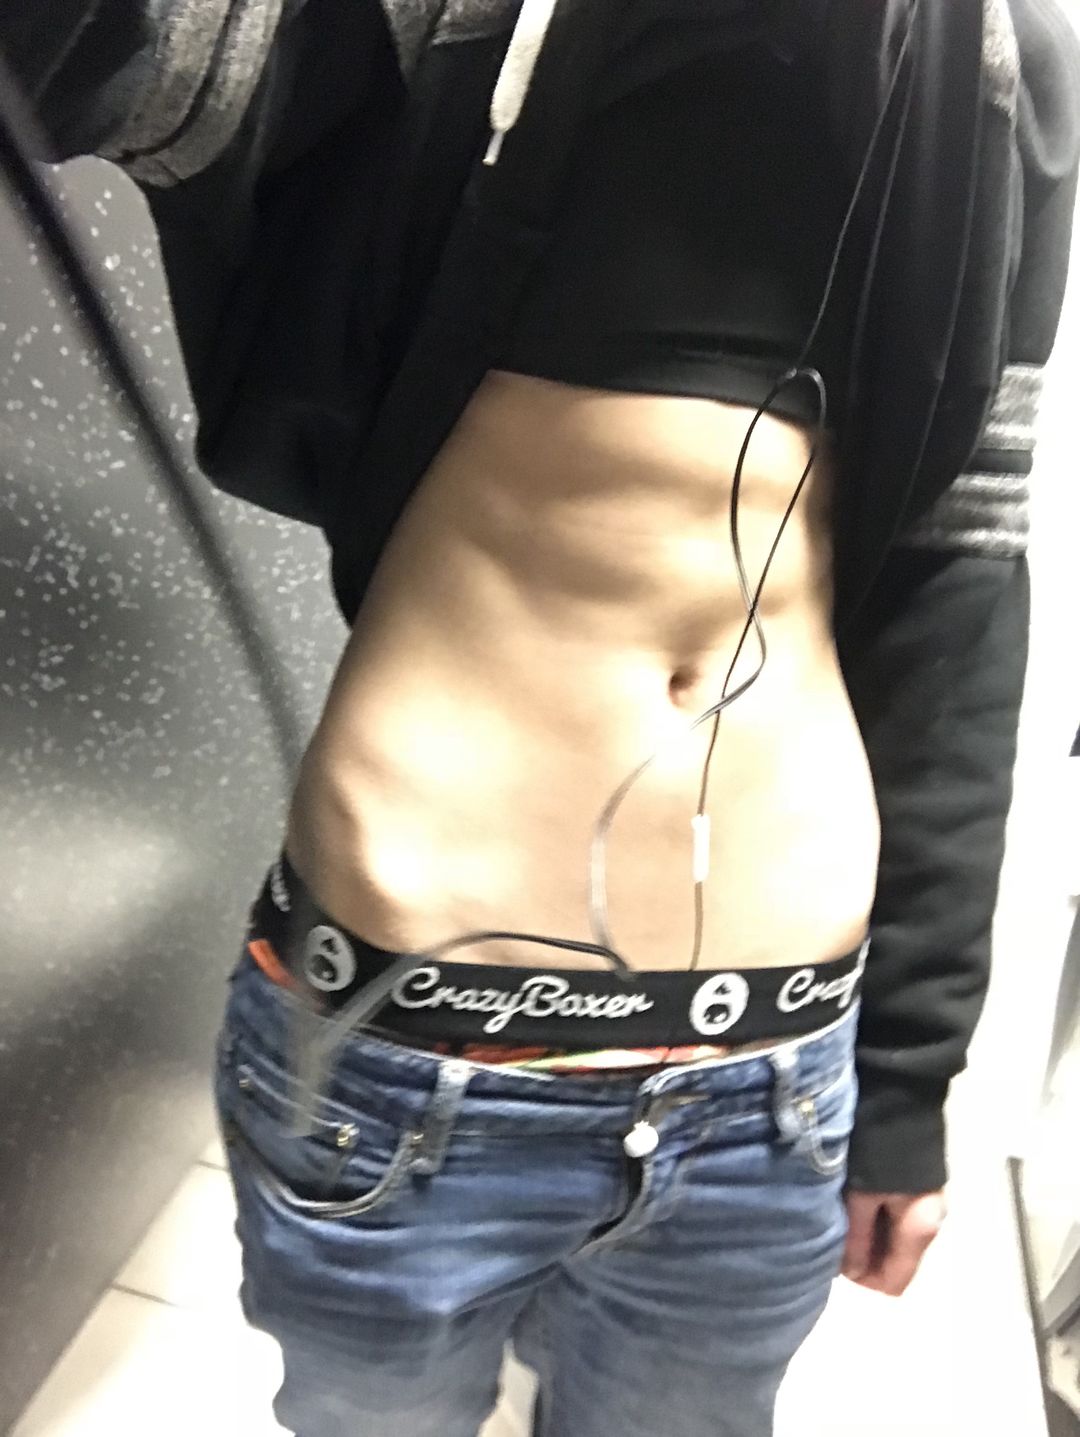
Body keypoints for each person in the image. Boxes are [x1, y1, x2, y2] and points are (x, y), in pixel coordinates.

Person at [2, 1, 1078, 1433]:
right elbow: (101, 47)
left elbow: (958, 594)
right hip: (402, 1063)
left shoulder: (1005, 72)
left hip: (769, 1092)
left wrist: (903, 1083)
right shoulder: (435, 19)